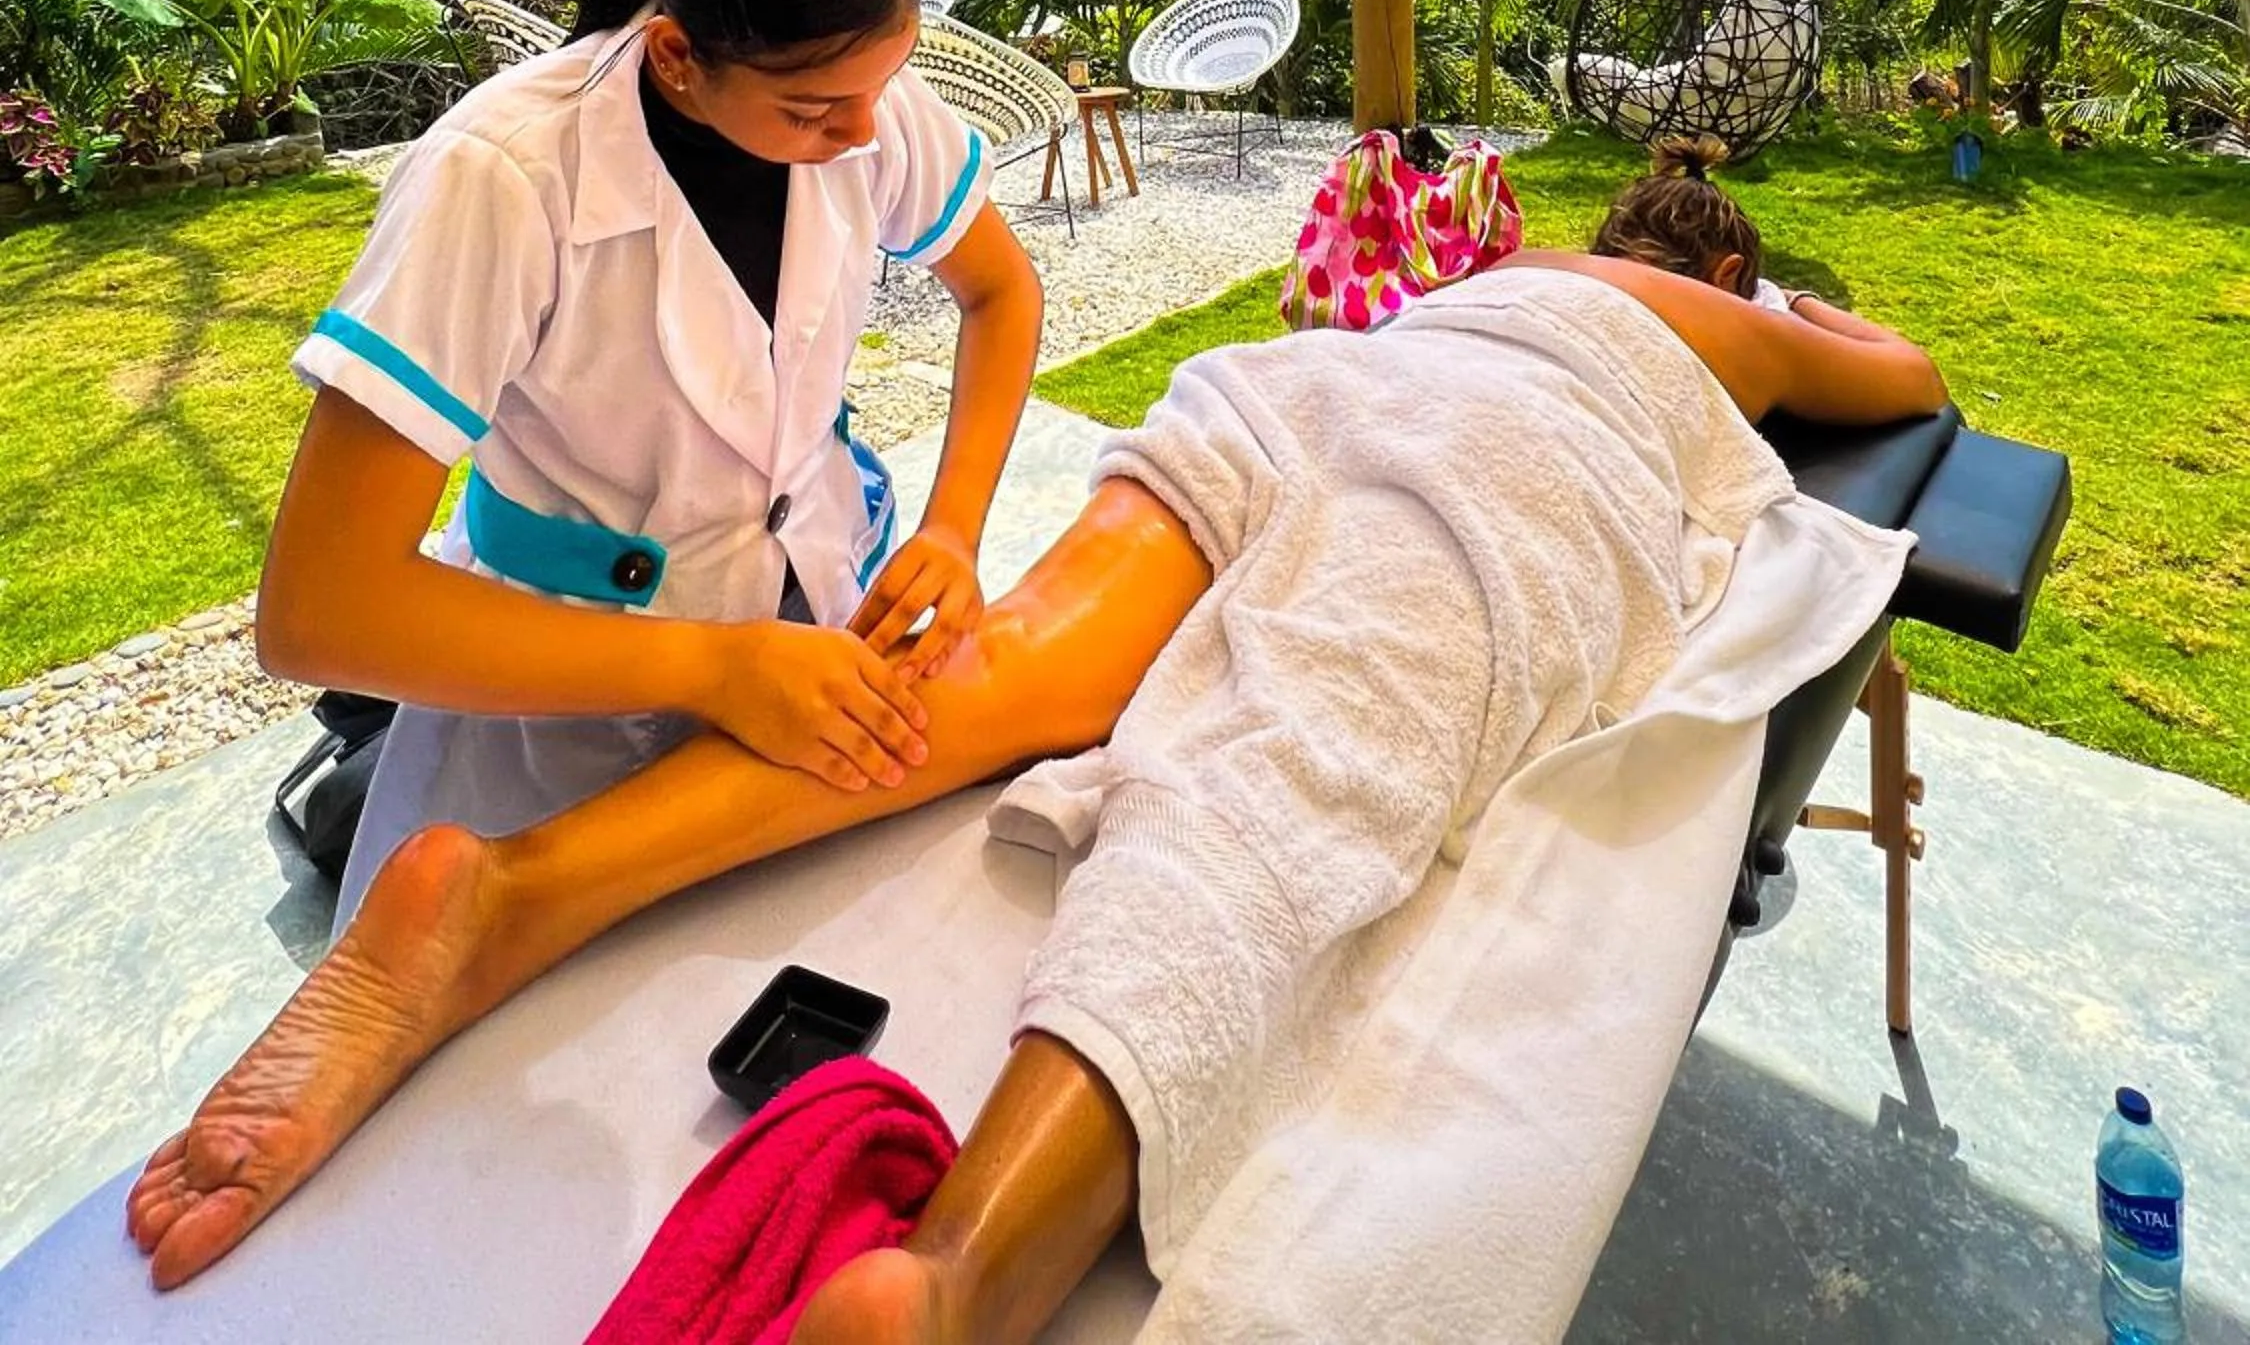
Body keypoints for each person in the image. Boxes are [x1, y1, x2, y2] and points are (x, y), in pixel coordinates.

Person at [128, 244, 1944, 1311]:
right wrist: (1779, 312)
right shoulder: (1708, 318)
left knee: (994, 678)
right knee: (1293, 775)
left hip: (1295, 390)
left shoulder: (1487, 274)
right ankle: (956, 1280)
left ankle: (511, 890)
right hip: (1507, 457)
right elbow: (1907, 378)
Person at [259, 0, 1044, 929]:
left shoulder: (860, 101)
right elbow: (320, 610)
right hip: (563, 703)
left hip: (818, 620)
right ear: (677, 55)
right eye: (816, 112)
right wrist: (712, 670)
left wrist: (955, 532)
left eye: (883, 86)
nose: (866, 133)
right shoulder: (502, 180)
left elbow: (1003, 296)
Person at [1593, 134, 1920, 357]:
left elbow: (1906, 368)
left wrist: (1792, 300)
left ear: (1726, 275)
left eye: (1646, 294)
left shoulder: (1766, 337)